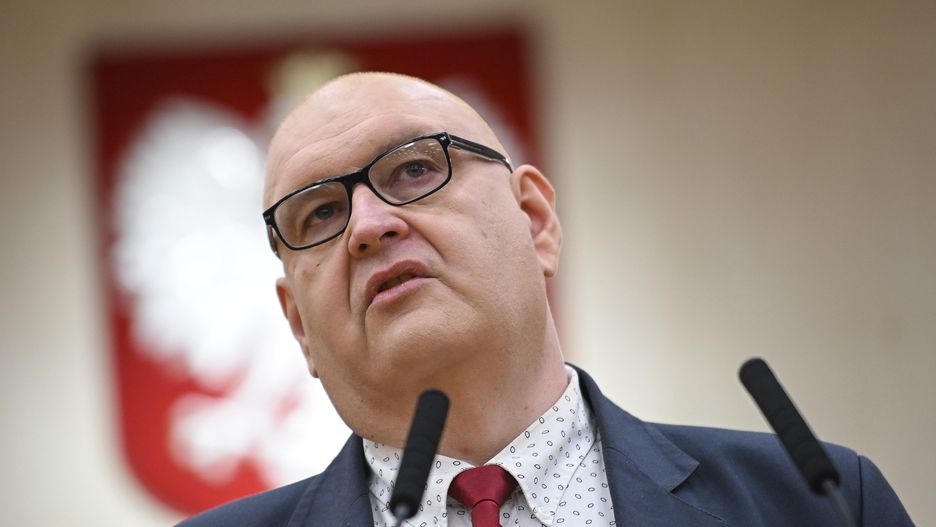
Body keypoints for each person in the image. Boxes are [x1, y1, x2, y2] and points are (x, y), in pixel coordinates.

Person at [179, 72, 914, 526]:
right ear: (299, 325)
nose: (369, 225)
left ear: (534, 220)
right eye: (320, 214)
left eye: (413, 169)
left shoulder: (819, 504)